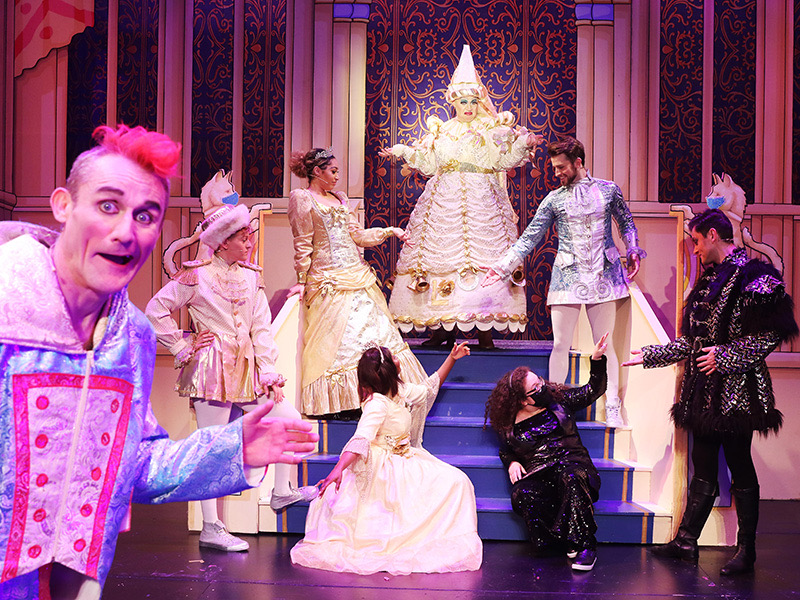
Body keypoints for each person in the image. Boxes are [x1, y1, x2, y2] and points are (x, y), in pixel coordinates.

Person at [0, 125, 318, 599]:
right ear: (63, 205)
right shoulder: (6, 299)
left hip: (74, 578)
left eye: (146, 215)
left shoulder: (130, 336)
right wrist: (189, 344)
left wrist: (234, 448)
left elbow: (135, 461)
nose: (126, 231)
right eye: (108, 206)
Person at [145, 171, 318, 552]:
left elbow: (261, 329)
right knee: (212, 446)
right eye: (244, 238)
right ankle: (212, 526)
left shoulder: (251, 277)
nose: (250, 242)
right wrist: (183, 345)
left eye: (250, 236)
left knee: (286, 419)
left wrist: (268, 369)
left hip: (247, 367)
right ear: (223, 242)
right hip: (212, 366)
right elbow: (155, 310)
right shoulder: (196, 277)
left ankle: (282, 491)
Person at [623, 209, 797, 576]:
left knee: (739, 464)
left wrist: (726, 355)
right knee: (702, 465)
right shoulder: (709, 280)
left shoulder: (756, 276)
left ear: (714, 236)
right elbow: (693, 342)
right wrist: (651, 355)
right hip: (703, 392)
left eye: (698, 241)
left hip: (737, 392)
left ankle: (746, 550)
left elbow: (770, 335)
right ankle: (687, 541)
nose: (696, 249)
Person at [380, 44, 542, 349]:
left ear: (478, 102)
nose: (468, 107)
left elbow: (504, 160)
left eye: (473, 101)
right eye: (463, 101)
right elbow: (429, 165)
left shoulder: (490, 128)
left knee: (482, 258)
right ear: (453, 102)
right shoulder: (442, 131)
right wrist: (402, 151)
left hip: (483, 201)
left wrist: (522, 144)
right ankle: (444, 327)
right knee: (441, 258)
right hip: (445, 200)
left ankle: (484, 328)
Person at [484, 136, 645, 427]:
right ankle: (553, 407)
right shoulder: (554, 199)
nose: (556, 173)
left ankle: (612, 405)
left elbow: (626, 222)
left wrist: (632, 248)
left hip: (603, 273)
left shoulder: (608, 190)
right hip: (567, 276)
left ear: (578, 162)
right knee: (560, 343)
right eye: (554, 168)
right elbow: (530, 237)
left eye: (561, 167)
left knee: (605, 343)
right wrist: (502, 267)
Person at [290, 342, 483, 574]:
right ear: (389, 369)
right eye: (394, 357)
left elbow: (428, 389)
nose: (399, 359)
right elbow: (361, 438)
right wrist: (338, 469)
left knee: (457, 481)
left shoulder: (399, 391)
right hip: (384, 467)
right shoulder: (377, 404)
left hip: (405, 457)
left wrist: (452, 358)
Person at [287, 147, 429, 418]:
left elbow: (358, 236)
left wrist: (390, 231)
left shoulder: (339, 198)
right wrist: (302, 281)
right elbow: (303, 243)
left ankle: (383, 391)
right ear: (316, 171)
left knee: (374, 333)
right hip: (329, 280)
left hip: (357, 275)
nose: (337, 176)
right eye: (333, 171)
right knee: (338, 343)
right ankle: (342, 402)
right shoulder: (302, 199)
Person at [485, 333, 609, 571]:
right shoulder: (508, 424)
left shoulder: (559, 400)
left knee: (571, 477)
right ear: (523, 401)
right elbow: (506, 449)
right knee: (522, 493)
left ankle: (585, 545)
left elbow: (593, 390)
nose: (542, 387)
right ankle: (561, 541)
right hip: (541, 474)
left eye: (539, 381)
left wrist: (596, 360)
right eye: (535, 388)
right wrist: (512, 462)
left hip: (573, 467)